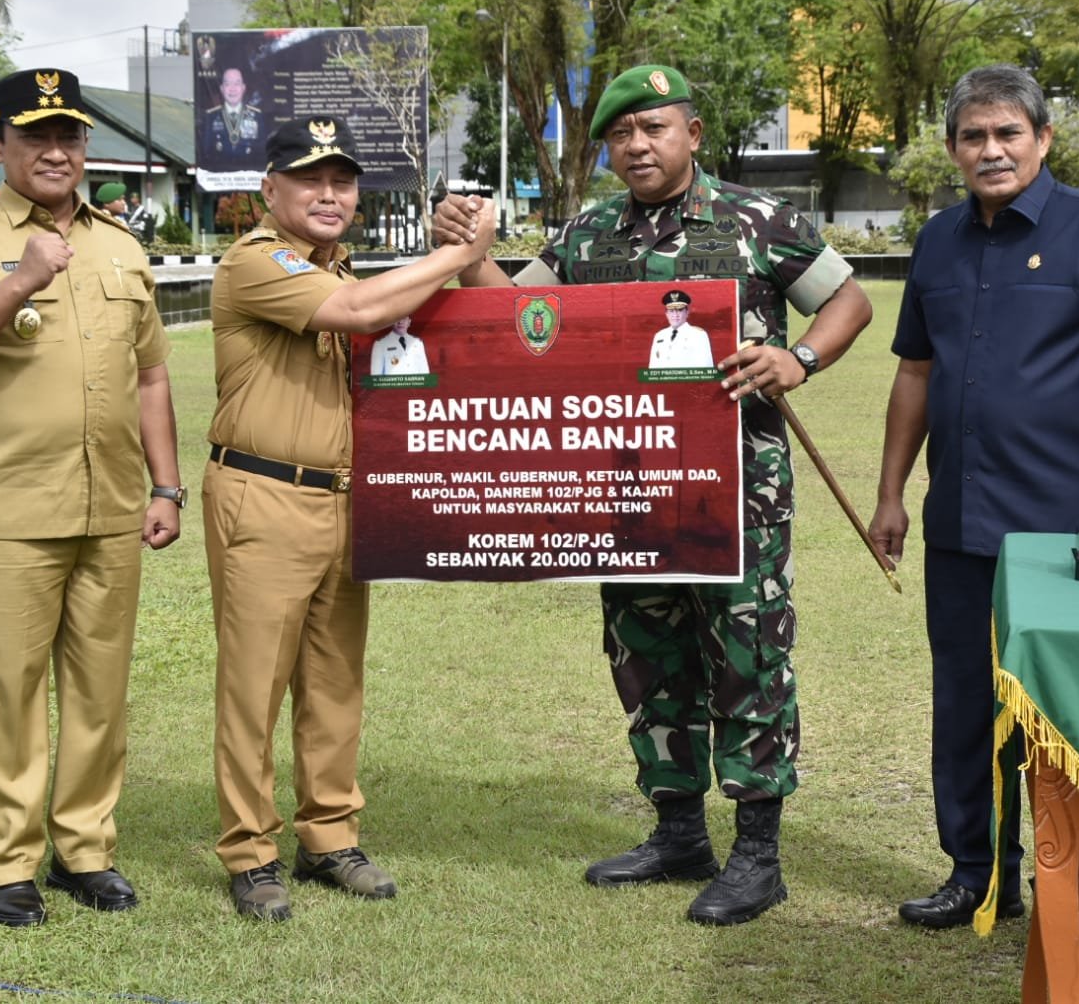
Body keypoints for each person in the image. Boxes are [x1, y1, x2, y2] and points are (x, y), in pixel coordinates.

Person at [434, 64, 872, 926]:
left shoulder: (757, 219)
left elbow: (847, 300)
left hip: (735, 490)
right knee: (645, 652)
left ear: (692, 135)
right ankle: (678, 833)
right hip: (625, 487)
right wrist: (469, 255)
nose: (637, 146)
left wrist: (798, 359)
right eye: (620, 135)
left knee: (745, 656)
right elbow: (516, 321)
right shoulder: (587, 233)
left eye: (654, 129)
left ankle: (757, 856)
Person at [869, 64, 1079, 957]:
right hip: (957, 521)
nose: (989, 150)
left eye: (1006, 133)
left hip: (1065, 526)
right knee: (962, 704)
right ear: (953, 148)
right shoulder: (936, 241)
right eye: (972, 136)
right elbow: (913, 375)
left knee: (1062, 710)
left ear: (1041, 140)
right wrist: (891, 493)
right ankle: (974, 872)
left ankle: (1074, 885)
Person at [0, 67, 184, 929]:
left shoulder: (120, 245)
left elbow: (149, 376)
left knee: (100, 692)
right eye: (34, 137)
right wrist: (18, 278)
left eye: (69, 135)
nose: (56, 151)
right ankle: (6, 865)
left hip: (109, 511)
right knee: (6, 693)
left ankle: (85, 851)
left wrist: (166, 484)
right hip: (7, 513)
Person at [205, 116, 495, 922]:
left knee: (334, 681)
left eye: (341, 181)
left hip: (343, 497)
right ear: (270, 190)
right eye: (309, 180)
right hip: (262, 494)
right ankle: (250, 852)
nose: (329, 194)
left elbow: (425, 312)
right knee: (253, 683)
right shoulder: (256, 262)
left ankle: (329, 836)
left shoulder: (341, 265)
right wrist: (455, 253)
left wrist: (460, 253)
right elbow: (361, 312)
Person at [201, 66, 259, 163]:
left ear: (243, 88)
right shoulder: (211, 117)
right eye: (227, 84)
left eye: (237, 83)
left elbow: (261, 153)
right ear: (222, 89)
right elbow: (206, 152)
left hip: (248, 174)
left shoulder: (257, 117)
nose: (232, 89)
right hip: (219, 175)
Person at [646, 288, 713, 369]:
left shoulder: (698, 335)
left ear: (687, 312)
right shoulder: (659, 335)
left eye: (679, 310)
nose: (675, 315)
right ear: (666, 314)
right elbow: (653, 368)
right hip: (662, 381)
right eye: (671, 311)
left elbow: (706, 368)